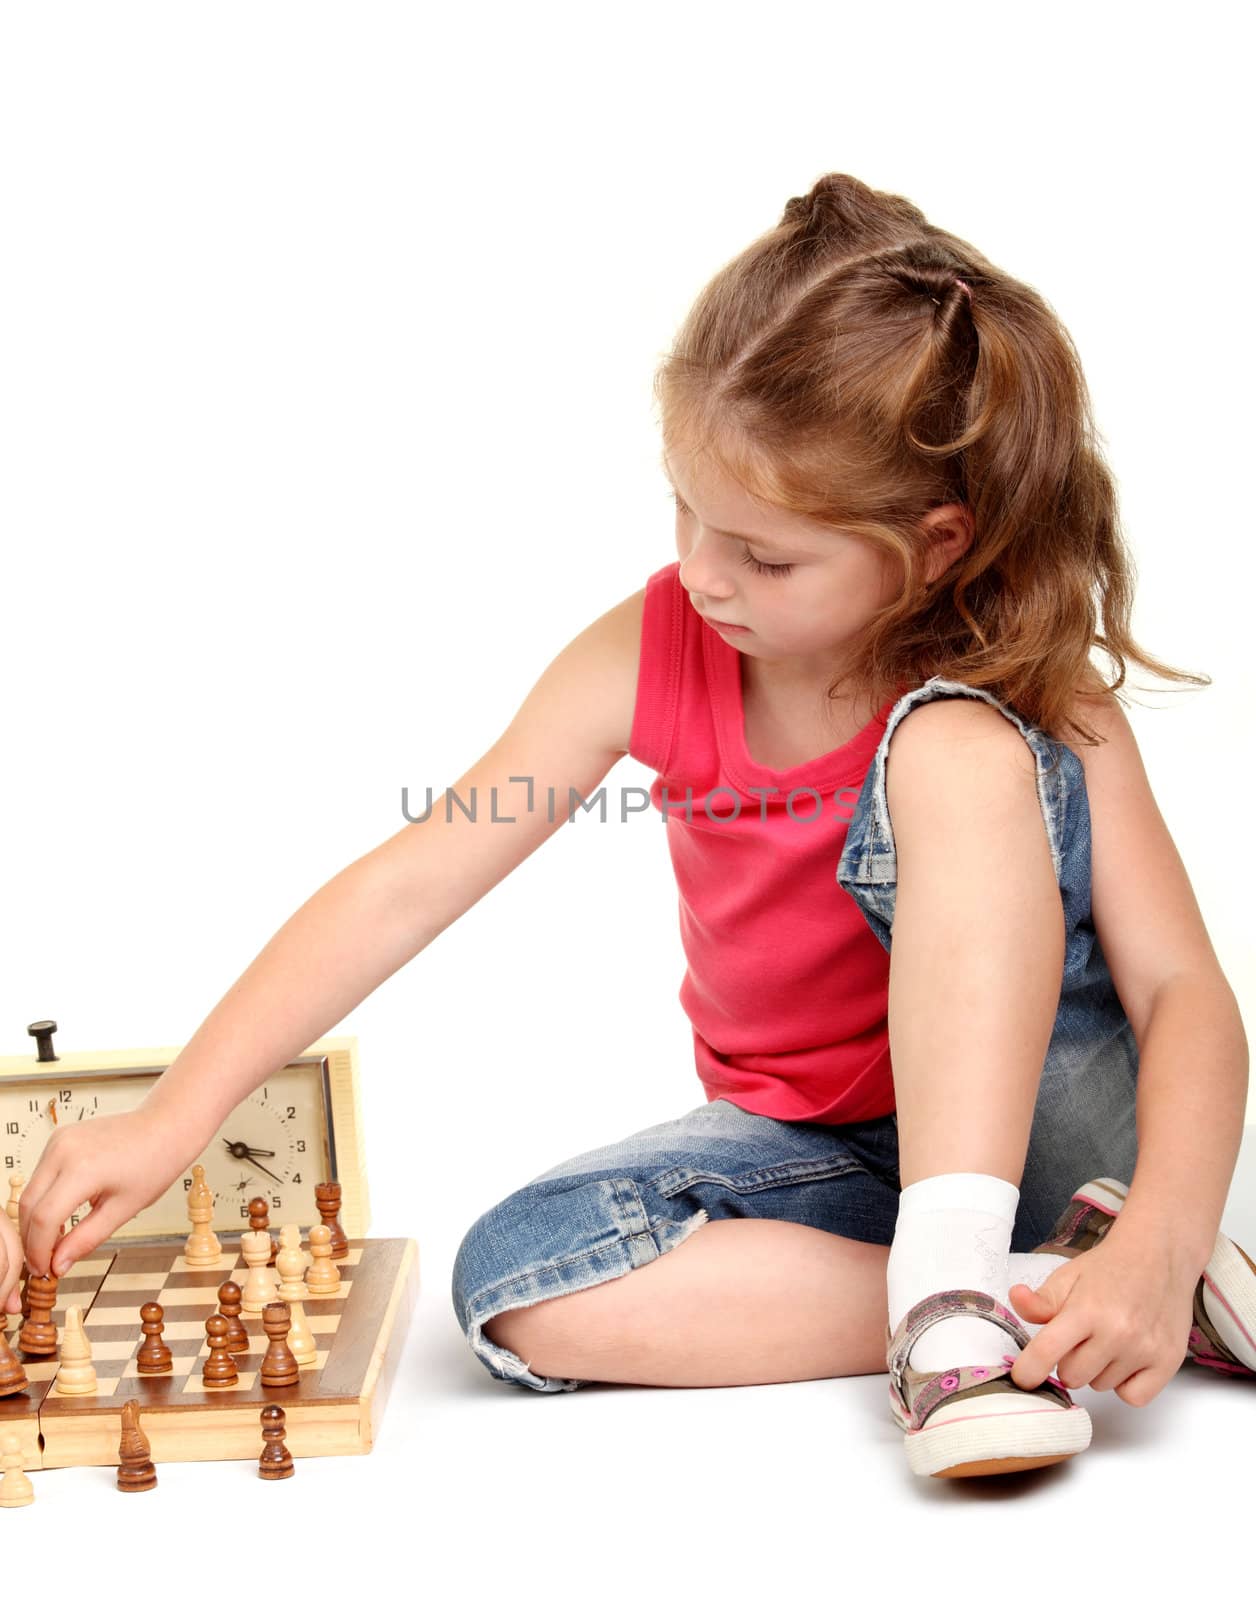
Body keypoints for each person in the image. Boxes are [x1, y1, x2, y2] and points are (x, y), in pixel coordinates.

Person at [3, 173, 1250, 1482]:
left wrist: (1167, 1226)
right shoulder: (650, 649)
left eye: (767, 557)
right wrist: (173, 1119)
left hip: (1058, 1130)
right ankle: (1034, 1284)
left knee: (948, 749)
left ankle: (976, 1296)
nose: (704, 574)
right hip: (819, 1160)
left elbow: (1183, 994)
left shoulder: (1034, 682)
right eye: (686, 513)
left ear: (937, 544)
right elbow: (411, 880)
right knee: (517, 1285)